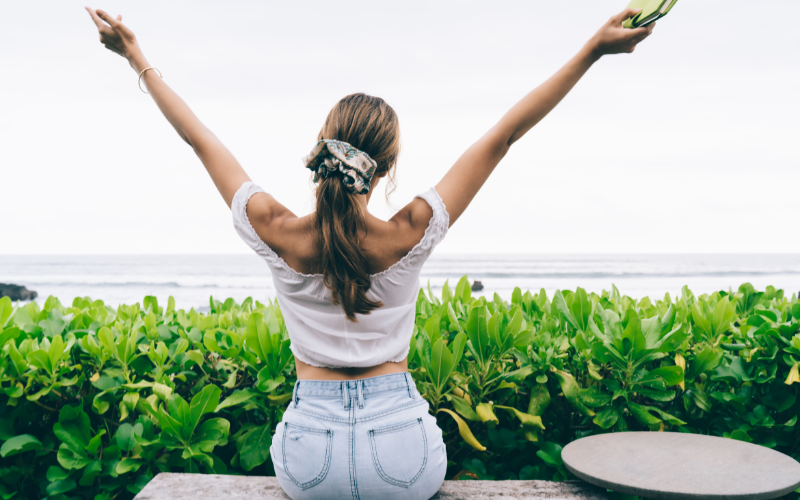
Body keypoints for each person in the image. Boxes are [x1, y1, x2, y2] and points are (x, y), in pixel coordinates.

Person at [85, 6, 654, 499]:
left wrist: (135, 55)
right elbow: (504, 135)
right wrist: (593, 51)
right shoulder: (410, 230)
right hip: (402, 455)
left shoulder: (274, 227)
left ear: (323, 150)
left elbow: (199, 138)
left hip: (310, 462)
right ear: (386, 167)